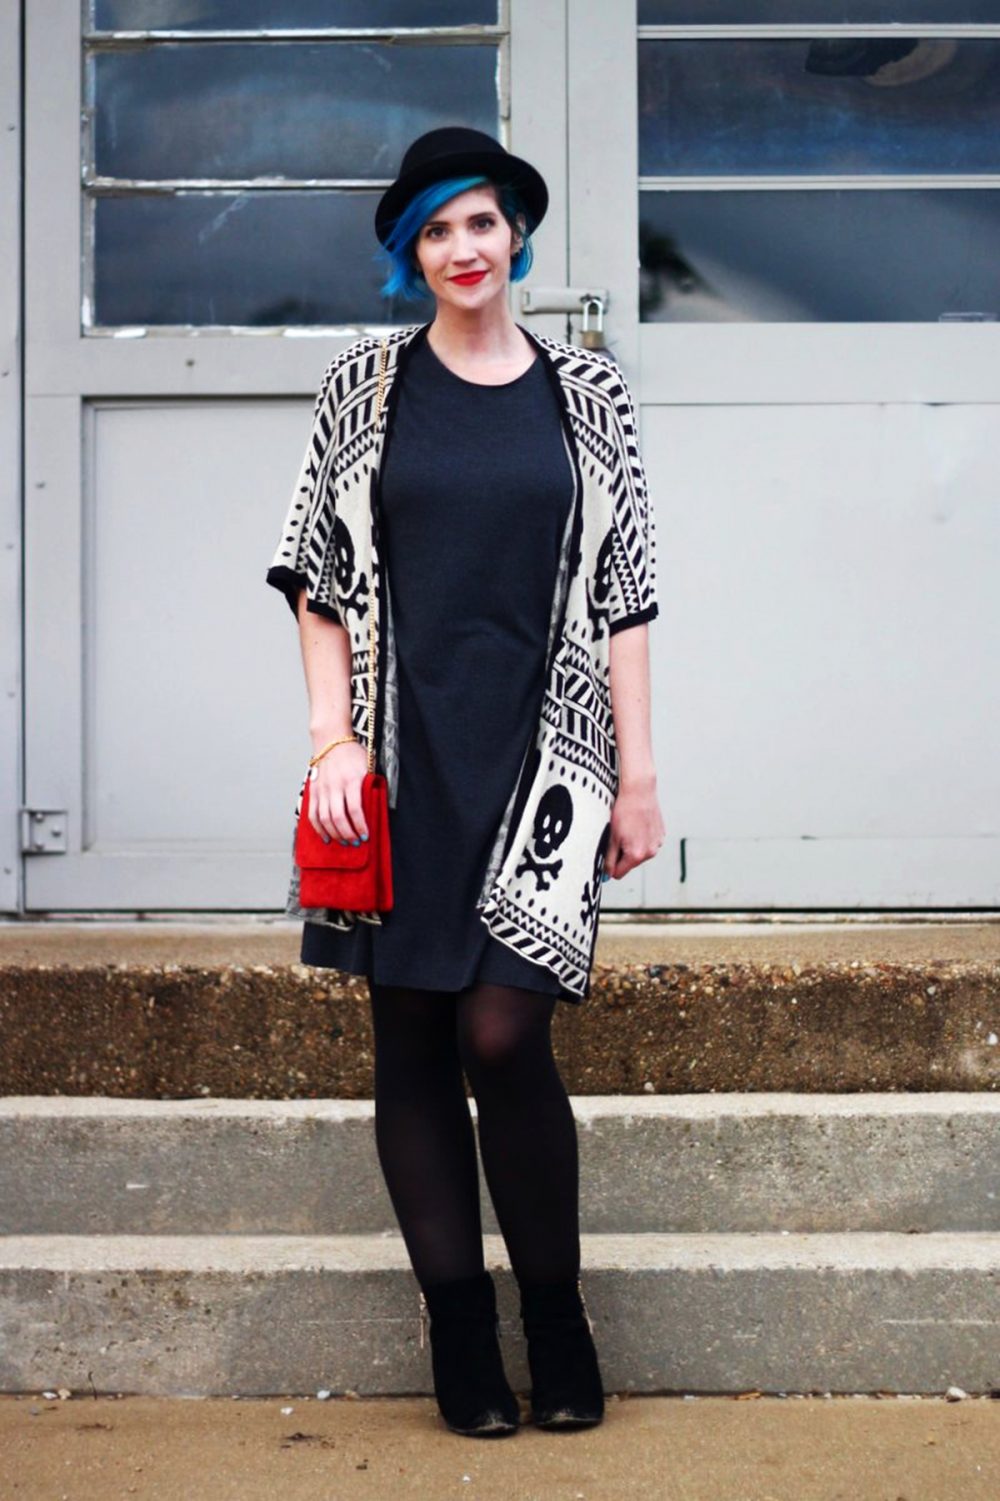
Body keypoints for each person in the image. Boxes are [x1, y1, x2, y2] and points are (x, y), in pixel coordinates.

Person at [266, 127, 664, 1437]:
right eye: (436, 231)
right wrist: (331, 740)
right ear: (411, 254)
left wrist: (643, 775)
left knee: (505, 1029)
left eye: (481, 222)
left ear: (515, 234)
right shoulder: (362, 388)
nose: (463, 249)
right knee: (415, 1040)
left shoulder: (588, 393)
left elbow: (625, 599)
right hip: (398, 752)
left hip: (549, 759)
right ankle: (461, 1337)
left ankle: (556, 1310)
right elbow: (317, 580)